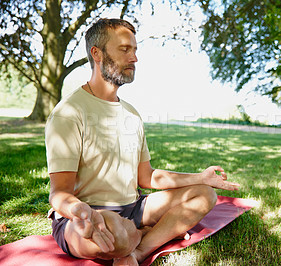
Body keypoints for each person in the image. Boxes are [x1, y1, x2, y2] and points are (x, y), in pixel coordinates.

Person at [45, 18, 240, 265]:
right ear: (97, 53)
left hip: (133, 208)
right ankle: (138, 236)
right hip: (84, 217)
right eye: (125, 49)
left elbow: (146, 177)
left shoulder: (132, 114)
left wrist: (200, 178)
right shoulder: (69, 113)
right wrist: (80, 211)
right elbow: (59, 193)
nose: (134, 58)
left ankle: (137, 250)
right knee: (111, 235)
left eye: (135, 50)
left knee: (205, 195)